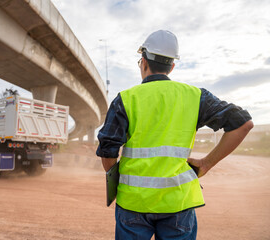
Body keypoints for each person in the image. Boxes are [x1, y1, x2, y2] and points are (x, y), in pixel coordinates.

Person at [96, 30, 253, 240]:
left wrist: (120, 180)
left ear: (143, 62)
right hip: (178, 203)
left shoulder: (125, 99)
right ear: (171, 66)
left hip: (132, 203)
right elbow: (243, 124)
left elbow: (108, 152)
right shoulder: (196, 97)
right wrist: (206, 163)